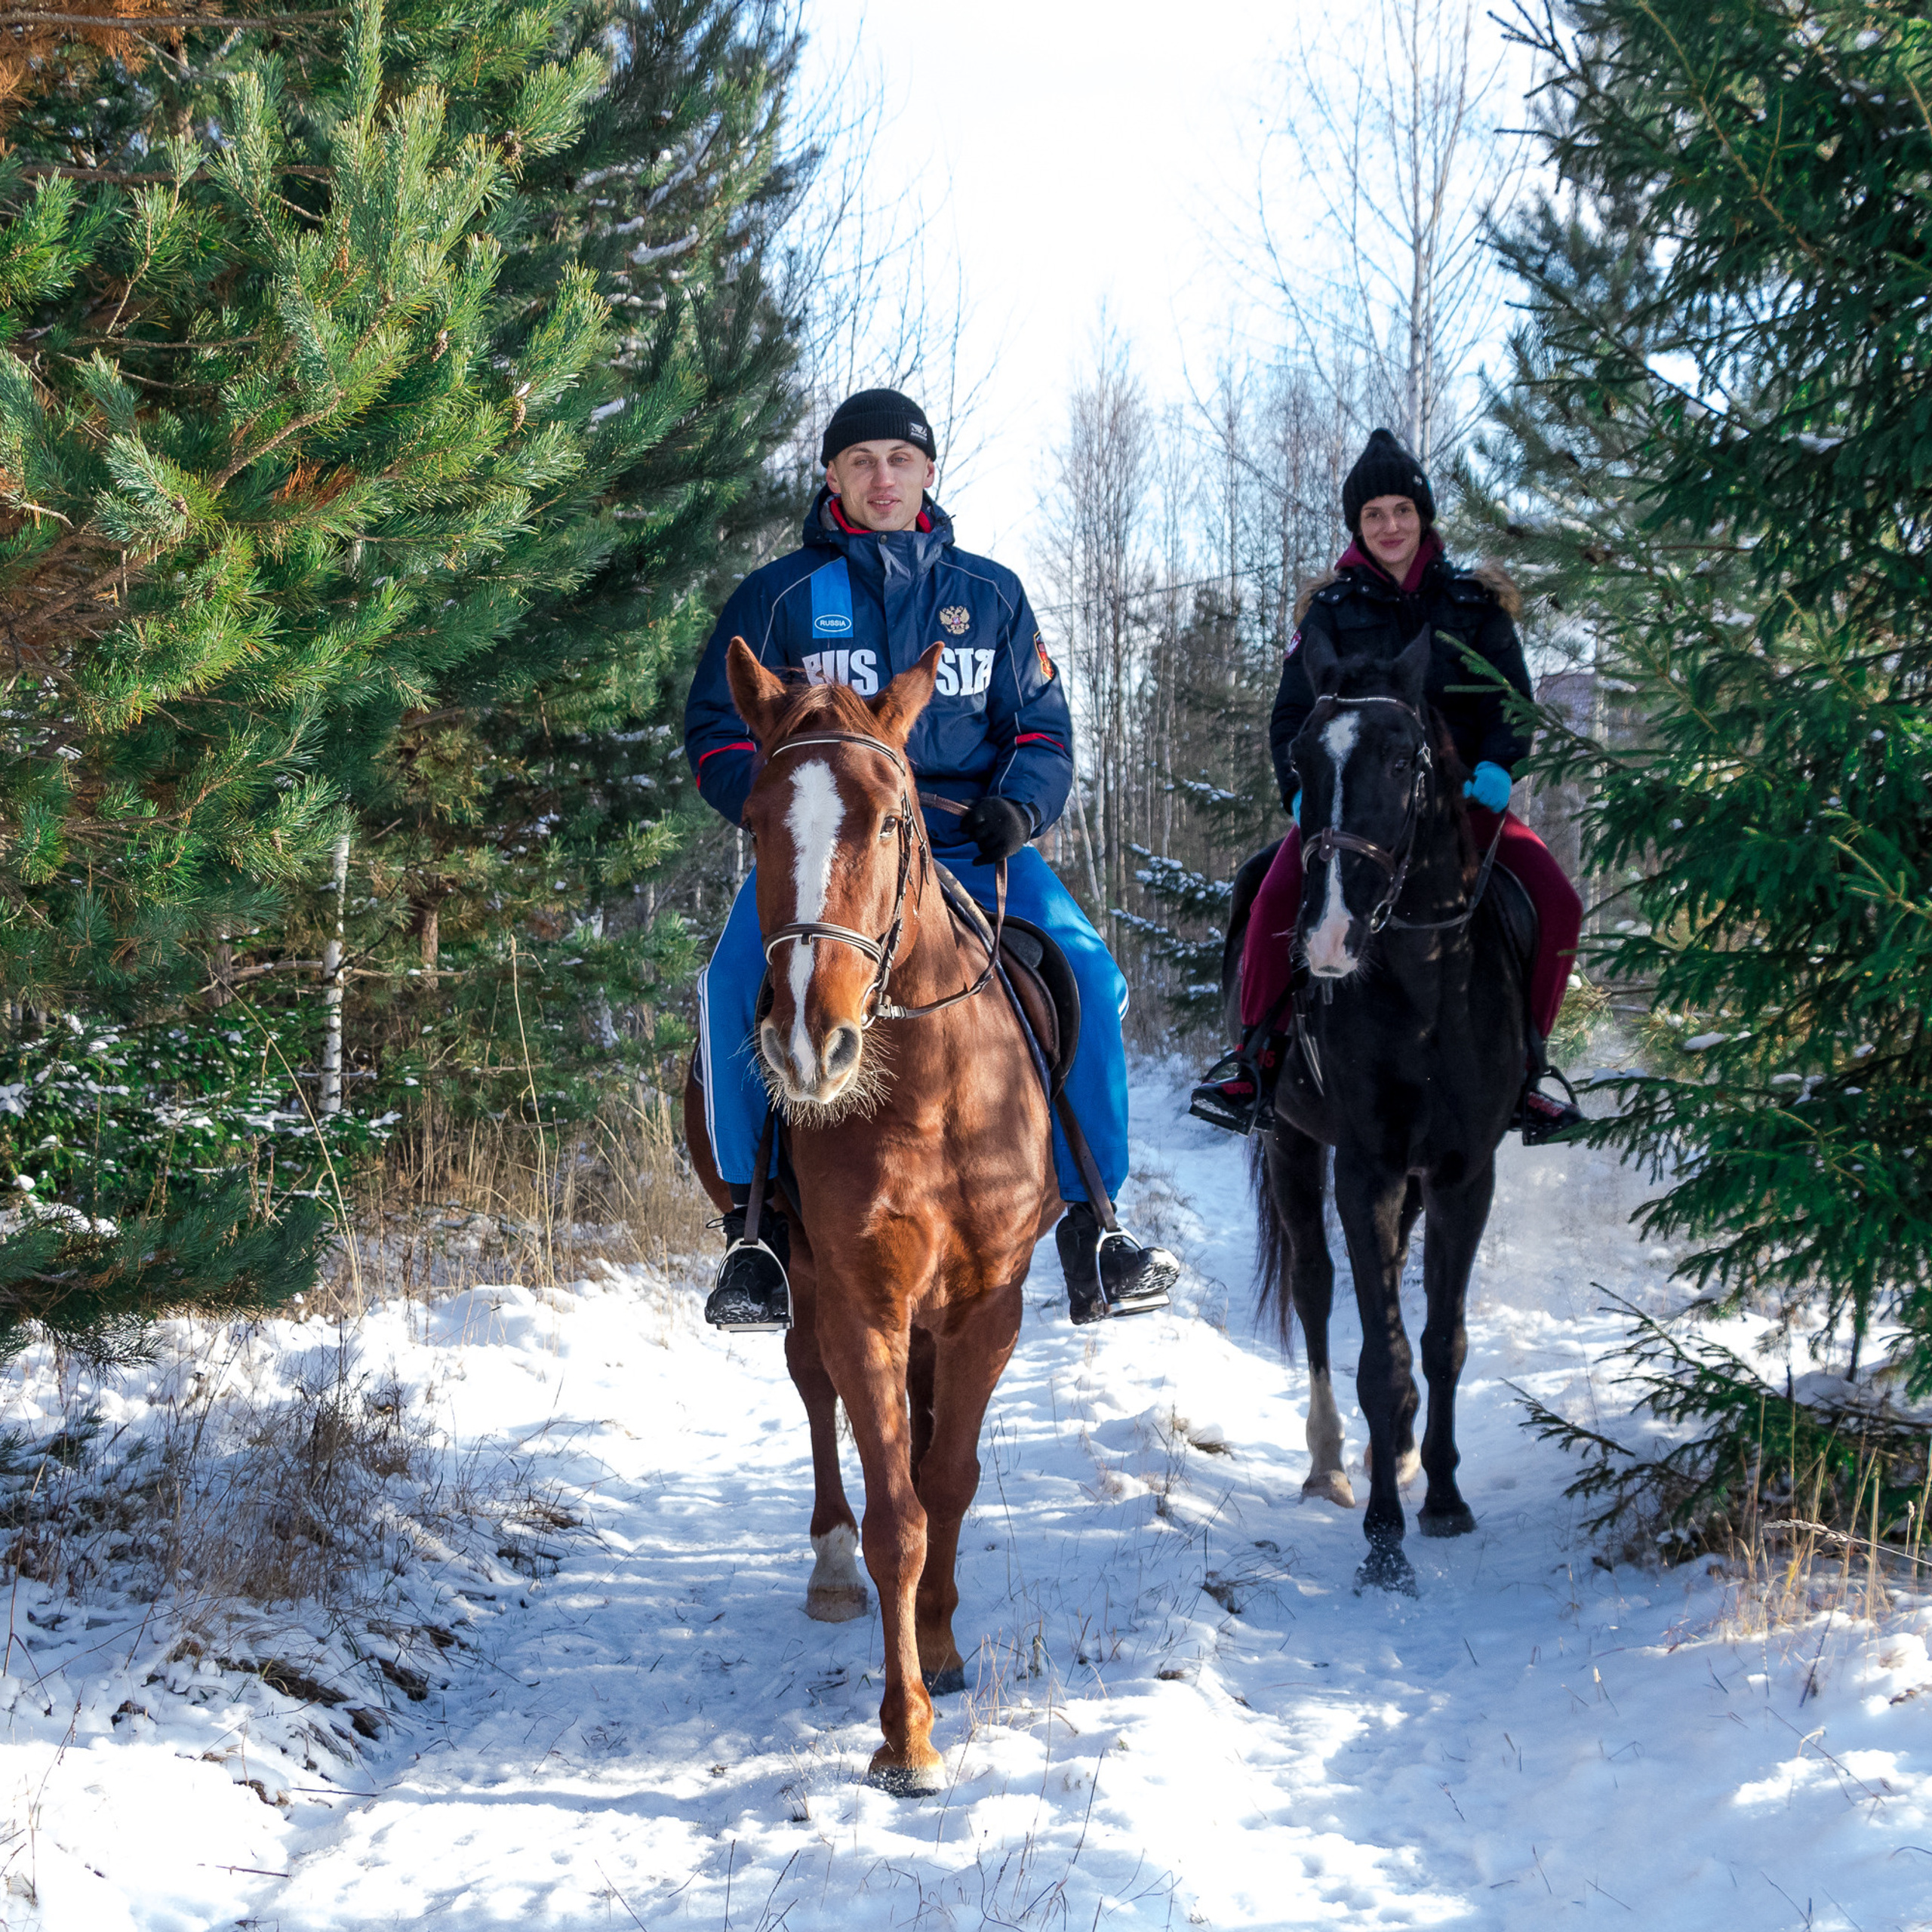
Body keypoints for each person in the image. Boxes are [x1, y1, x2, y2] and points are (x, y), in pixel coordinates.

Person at [685, 387, 1180, 1331]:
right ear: (831, 475)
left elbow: (1042, 728)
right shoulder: (779, 596)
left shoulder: (987, 596)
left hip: (968, 840)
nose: (882, 477)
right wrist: (782, 809)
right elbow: (717, 725)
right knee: (728, 983)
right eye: (861, 461)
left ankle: (1096, 1224)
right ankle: (753, 1234)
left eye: (899, 460)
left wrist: (1020, 805)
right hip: (831, 855)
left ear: (927, 473)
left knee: (1088, 970)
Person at [1189, 427, 1587, 1143]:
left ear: (1423, 516)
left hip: (1466, 807)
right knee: (1271, 894)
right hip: (1354, 813)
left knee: (1558, 903)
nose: (1390, 526)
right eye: (1373, 515)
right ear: (1358, 526)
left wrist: (1500, 764)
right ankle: (1256, 1060)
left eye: (1401, 510)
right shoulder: (1330, 612)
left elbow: (1512, 702)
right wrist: (1300, 792)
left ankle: (1529, 1070)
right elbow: (1291, 716)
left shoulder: (1475, 604)